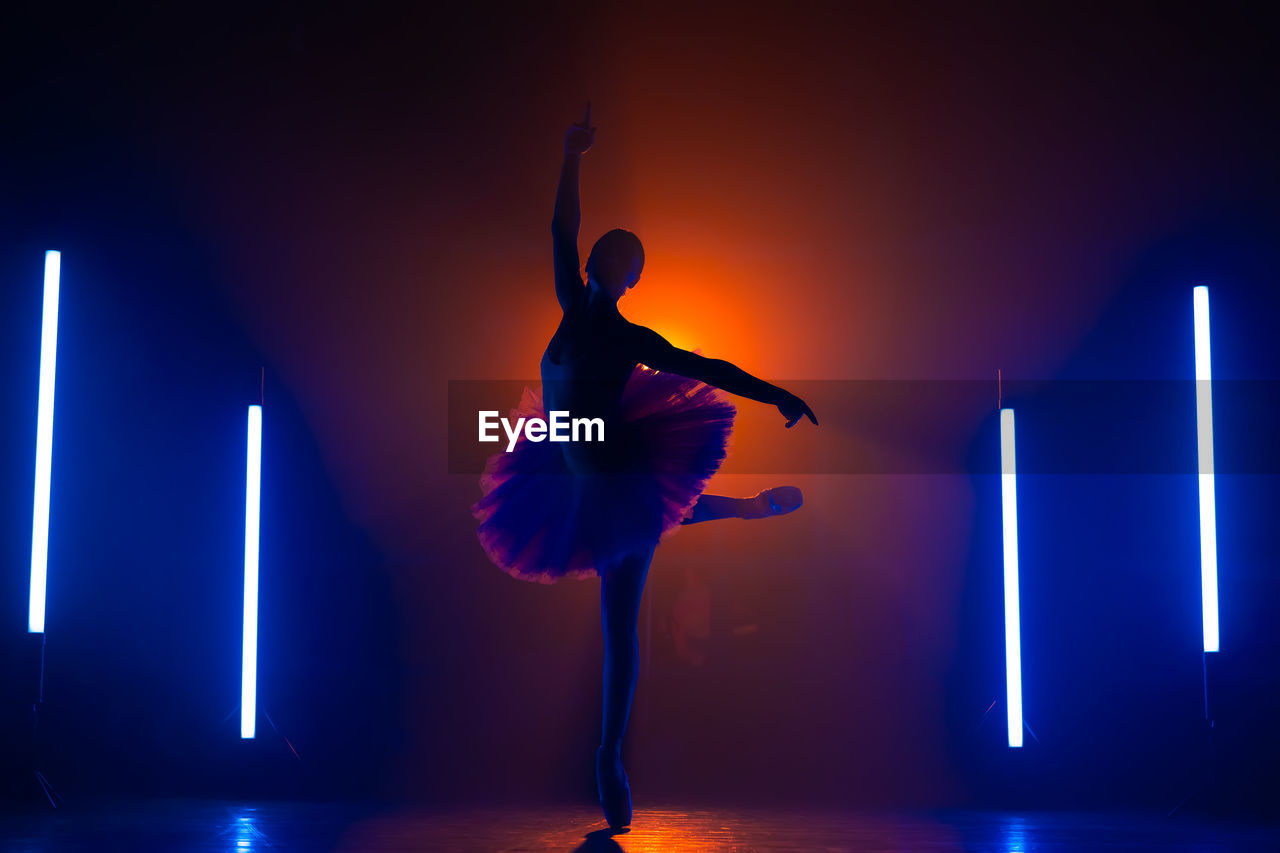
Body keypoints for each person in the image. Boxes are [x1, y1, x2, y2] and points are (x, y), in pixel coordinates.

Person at [472, 104, 817, 831]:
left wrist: (776, 392)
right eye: (610, 256)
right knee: (650, 534)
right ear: (596, 267)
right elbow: (561, 230)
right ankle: (753, 507)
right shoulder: (570, 304)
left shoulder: (630, 336)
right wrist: (572, 156)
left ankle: (608, 756)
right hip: (563, 470)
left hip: (617, 469)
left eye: (627, 264)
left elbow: (705, 364)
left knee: (619, 618)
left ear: (629, 281)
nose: (611, 267)